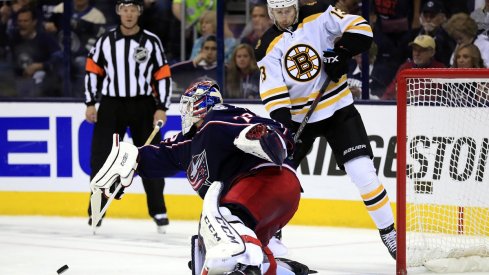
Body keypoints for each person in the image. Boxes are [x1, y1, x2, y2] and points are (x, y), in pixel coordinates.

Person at [90, 80, 311, 274]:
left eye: (187, 104)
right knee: (205, 253)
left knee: (225, 222)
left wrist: (270, 137)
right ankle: (281, 269)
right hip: (261, 203)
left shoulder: (216, 119)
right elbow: (158, 155)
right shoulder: (189, 146)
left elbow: (265, 128)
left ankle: (248, 258)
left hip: (267, 180)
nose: (184, 111)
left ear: (198, 104)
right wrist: (129, 164)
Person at [255, 0, 397, 259]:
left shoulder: (319, 13)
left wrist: (341, 52)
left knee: (363, 174)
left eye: (287, 11)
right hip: (299, 120)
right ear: (270, 12)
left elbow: (361, 29)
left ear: (296, 7)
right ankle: (272, 232)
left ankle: (389, 232)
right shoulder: (266, 45)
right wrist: (286, 128)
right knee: (277, 179)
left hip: (337, 109)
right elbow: (274, 97)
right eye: (278, 12)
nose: (283, 17)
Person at [84, 0, 172, 233]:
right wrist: (91, 102)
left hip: (144, 106)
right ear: (118, 12)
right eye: (125, 9)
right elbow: (93, 70)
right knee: (102, 158)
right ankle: (97, 209)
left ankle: (158, 210)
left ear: (139, 12)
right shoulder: (105, 41)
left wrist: (162, 106)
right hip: (111, 106)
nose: (129, 13)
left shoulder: (151, 41)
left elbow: (162, 74)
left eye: (133, 9)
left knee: (152, 156)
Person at [8, 6, 62, 97]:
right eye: (20, 21)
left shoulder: (45, 38)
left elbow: (59, 58)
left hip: (43, 79)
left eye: (25, 21)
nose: (22, 24)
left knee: (40, 75)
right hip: (18, 79)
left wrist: (40, 66)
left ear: (34, 22)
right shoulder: (13, 39)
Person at [382, 35, 446, 100]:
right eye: (415, 49)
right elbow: (390, 92)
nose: (417, 53)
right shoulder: (405, 68)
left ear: (432, 52)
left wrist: (414, 95)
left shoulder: (440, 69)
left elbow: (440, 95)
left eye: (422, 50)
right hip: (406, 108)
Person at [410, 0, 455, 67]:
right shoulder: (413, 34)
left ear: (441, 17)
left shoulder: (447, 37)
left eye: (432, 16)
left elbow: (446, 57)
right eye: (425, 16)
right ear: (421, 17)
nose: (428, 20)